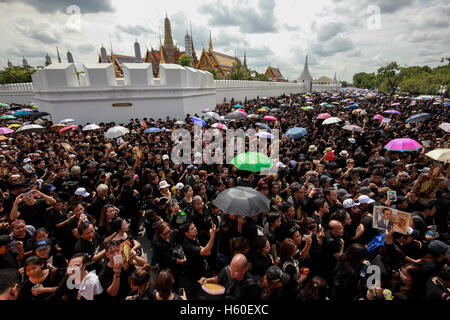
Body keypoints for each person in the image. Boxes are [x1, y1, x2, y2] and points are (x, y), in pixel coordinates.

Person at [179, 221, 219, 298]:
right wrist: (212, 236)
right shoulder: (187, 244)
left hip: (199, 268)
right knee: (191, 291)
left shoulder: (194, 237)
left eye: (194, 227)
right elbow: (205, 251)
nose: (195, 229)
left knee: (198, 286)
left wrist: (204, 249)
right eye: (192, 229)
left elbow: (201, 248)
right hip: (192, 272)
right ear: (186, 233)